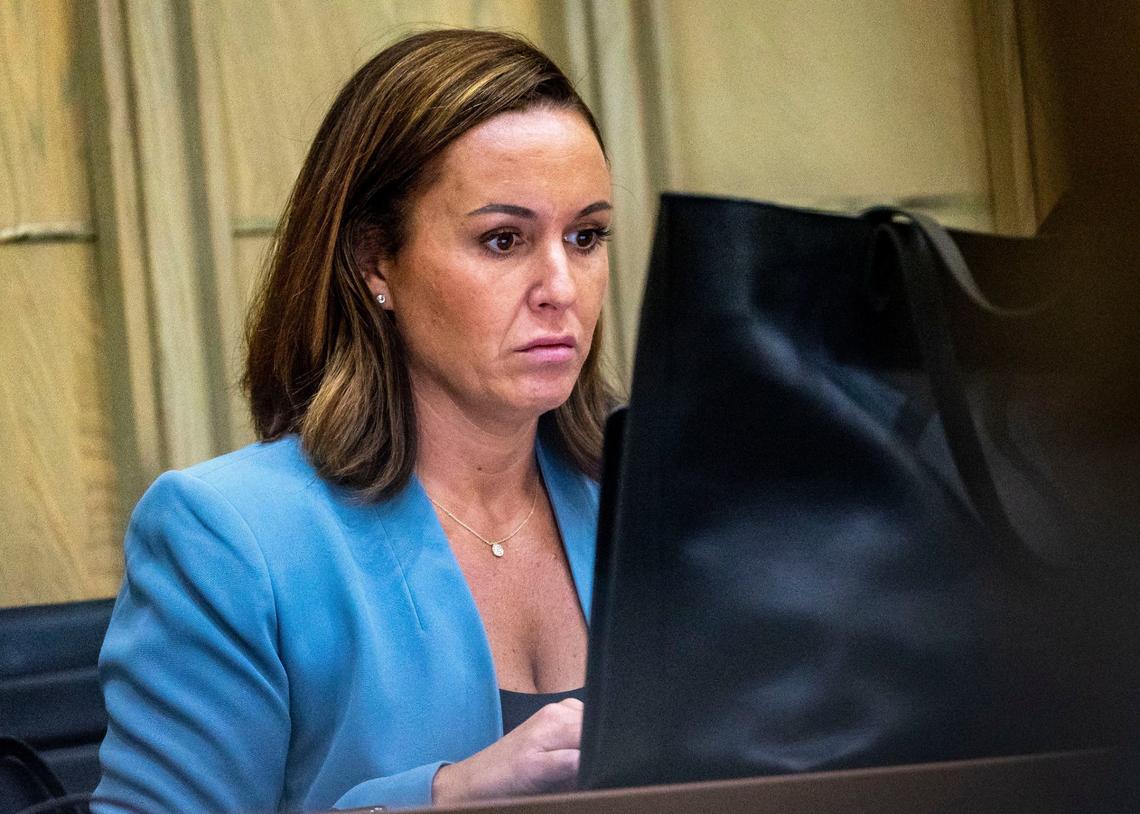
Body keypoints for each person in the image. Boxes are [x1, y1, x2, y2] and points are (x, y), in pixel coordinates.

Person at [94, 28, 615, 812]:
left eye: (586, 236)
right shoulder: (229, 537)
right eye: (503, 239)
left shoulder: (650, 505)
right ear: (375, 262)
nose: (561, 288)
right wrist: (442, 798)